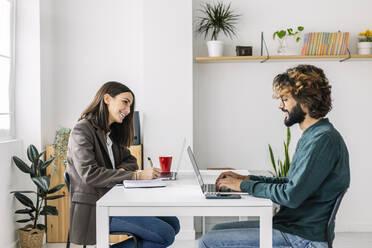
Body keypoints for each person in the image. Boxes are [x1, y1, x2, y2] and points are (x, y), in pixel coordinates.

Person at [199, 64, 350, 248]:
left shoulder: (322, 140)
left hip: (303, 238)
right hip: (290, 227)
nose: (280, 105)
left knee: (208, 242)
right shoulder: (315, 135)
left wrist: (242, 185)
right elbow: (291, 184)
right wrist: (247, 178)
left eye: (285, 99)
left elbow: (290, 195)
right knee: (216, 231)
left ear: (305, 101)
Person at [67, 81, 180, 247]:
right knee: (165, 234)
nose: (128, 111)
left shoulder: (109, 133)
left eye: (130, 105)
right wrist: (135, 176)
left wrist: (121, 171)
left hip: (116, 199)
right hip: (96, 207)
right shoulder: (82, 129)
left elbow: (131, 160)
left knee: (173, 223)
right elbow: (90, 174)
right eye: (125, 102)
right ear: (107, 98)